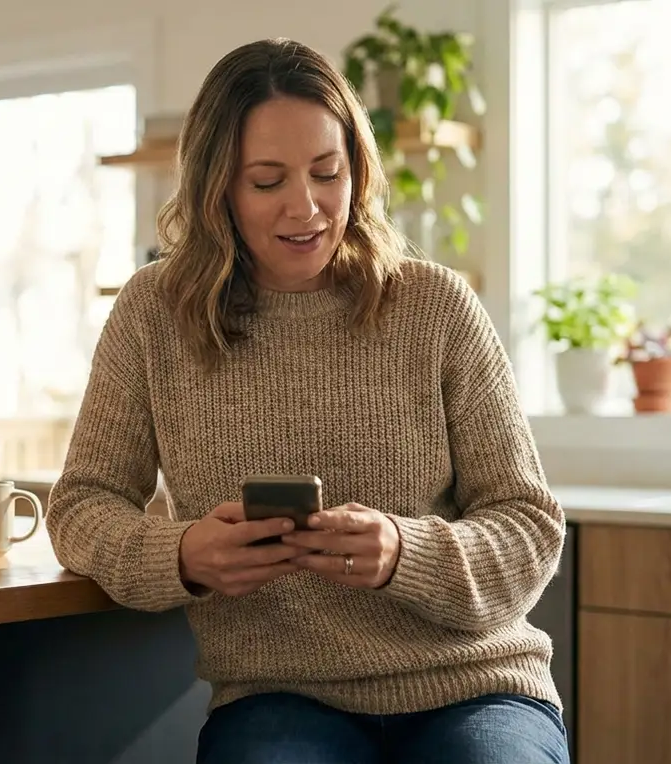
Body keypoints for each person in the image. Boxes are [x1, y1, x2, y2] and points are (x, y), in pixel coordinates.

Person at [44, 37, 569, 764]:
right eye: (267, 181)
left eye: (328, 172)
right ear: (218, 190)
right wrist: (183, 554)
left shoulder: (437, 307)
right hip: (277, 697)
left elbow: (529, 528)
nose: (307, 206)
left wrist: (404, 552)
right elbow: (81, 506)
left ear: (357, 168)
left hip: (474, 685)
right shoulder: (154, 316)